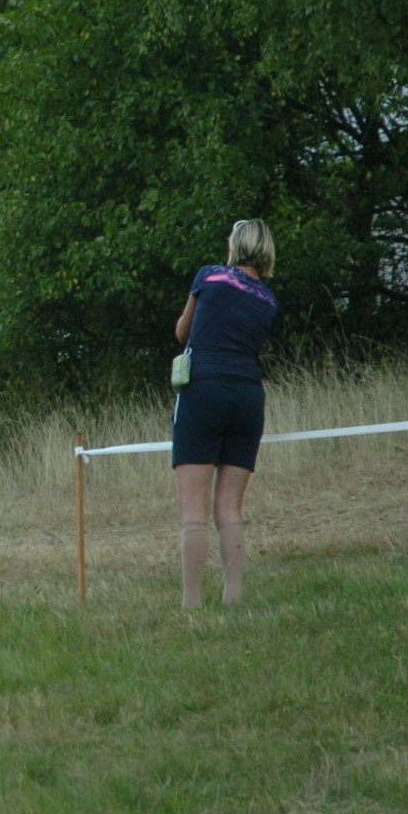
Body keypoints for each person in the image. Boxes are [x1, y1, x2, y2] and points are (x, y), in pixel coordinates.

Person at [172, 218, 278, 608]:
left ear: (235, 245)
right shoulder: (268, 300)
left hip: (204, 390)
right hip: (248, 396)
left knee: (194, 511)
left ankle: (192, 604)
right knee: (230, 507)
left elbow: (182, 332)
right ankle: (233, 597)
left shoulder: (209, 276)